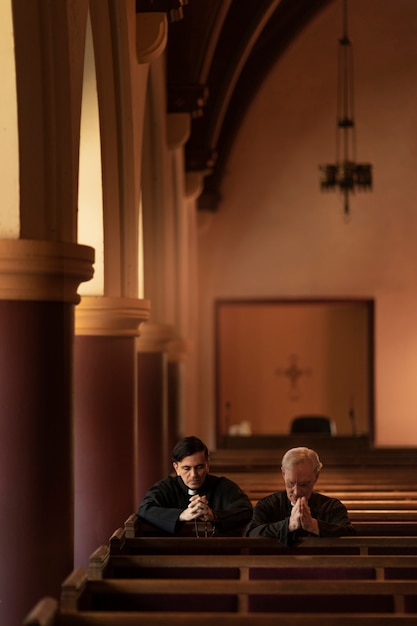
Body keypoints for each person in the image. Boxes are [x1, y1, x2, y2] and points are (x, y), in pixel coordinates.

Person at [138, 436, 253, 536]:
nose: (194, 475)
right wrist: (181, 515)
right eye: (187, 468)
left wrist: (214, 515)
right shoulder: (166, 487)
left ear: (208, 465)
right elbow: (144, 510)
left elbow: (247, 511)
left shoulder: (224, 487)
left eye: (199, 467)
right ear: (176, 468)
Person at [246, 446, 355, 546]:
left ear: (316, 476)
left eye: (304, 485)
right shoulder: (267, 505)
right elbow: (251, 532)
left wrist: (313, 526)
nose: (297, 492)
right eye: (291, 484)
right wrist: (289, 525)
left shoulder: (331, 506)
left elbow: (349, 533)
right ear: (283, 474)